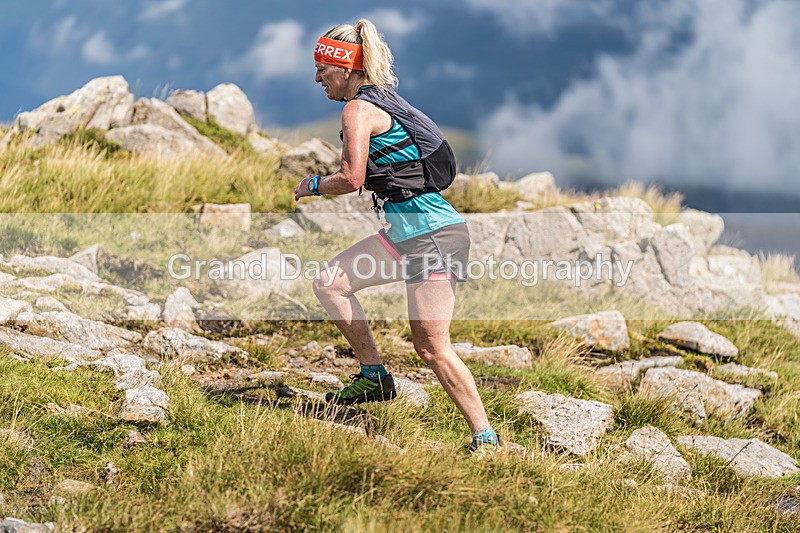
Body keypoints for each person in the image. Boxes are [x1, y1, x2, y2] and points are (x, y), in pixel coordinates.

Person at [293, 19, 499, 452]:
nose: (316, 78)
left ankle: (487, 438)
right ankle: (375, 378)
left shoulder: (358, 109)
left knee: (431, 346)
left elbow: (352, 178)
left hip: (434, 236)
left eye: (321, 69)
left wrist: (312, 185)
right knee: (331, 283)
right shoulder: (379, 100)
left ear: (346, 68)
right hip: (407, 233)